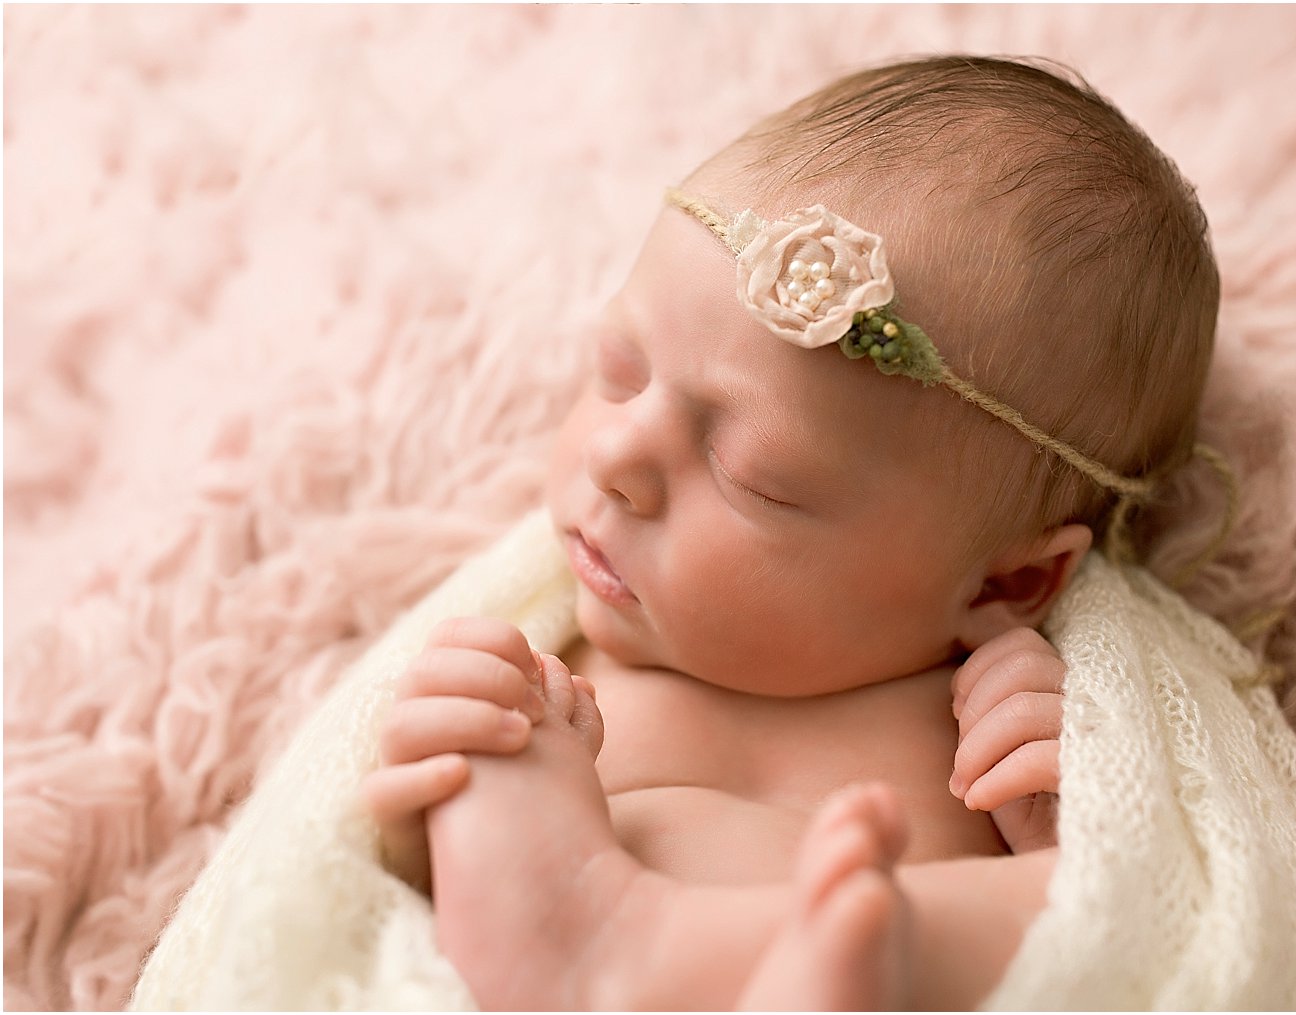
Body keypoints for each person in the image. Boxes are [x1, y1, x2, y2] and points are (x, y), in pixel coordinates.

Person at [360, 54, 1218, 1010]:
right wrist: (428, 805)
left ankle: (617, 943)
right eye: (619, 371)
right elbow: (369, 905)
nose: (616, 457)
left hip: (850, 975)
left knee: (1084, 905)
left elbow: (1165, 932)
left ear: (1001, 588)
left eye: (752, 477)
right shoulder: (550, 678)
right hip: (544, 967)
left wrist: (1072, 818)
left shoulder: (995, 730)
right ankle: (587, 938)